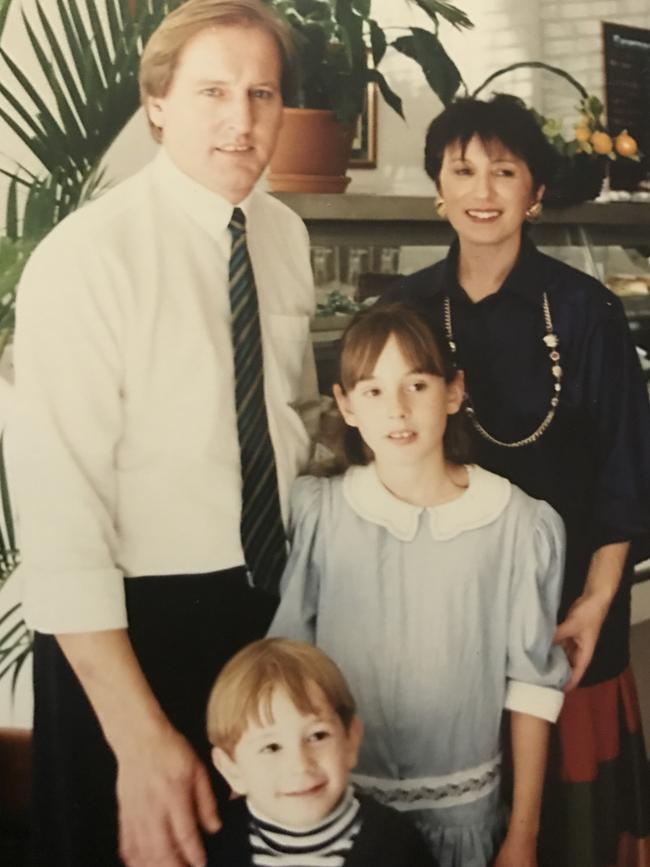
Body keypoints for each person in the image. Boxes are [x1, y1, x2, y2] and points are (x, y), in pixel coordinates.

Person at [8, 2, 319, 866]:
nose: (242, 118)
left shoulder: (284, 235)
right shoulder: (86, 257)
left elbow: (292, 430)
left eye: (263, 93)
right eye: (213, 90)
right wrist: (138, 737)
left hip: (264, 620)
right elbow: (62, 524)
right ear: (157, 103)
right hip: (131, 634)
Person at [382, 94, 650, 867]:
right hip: (441, 604)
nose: (483, 190)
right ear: (439, 187)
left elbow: (627, 470)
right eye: (463, 170)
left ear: (534, 193)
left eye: (504, 171)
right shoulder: (407, 309)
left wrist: (598, 600)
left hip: (570, 603)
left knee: (567, 830)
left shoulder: (586, 310)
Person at [269, 303, 570, 867]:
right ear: (346, 405)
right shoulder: (321, 513)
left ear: (455, 393)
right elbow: (288, 666)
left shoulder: (517, 524)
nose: (398, 409)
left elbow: (533, 685)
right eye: (374, 390)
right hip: (340, 819)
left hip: (463, 819)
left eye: (418, 384)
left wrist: (522, 834)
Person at [204, 637, 438, 867]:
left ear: (350, 740)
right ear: (232, 769)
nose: (300, 764)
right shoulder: (216, 845)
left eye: (317, 736)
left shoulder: (396, 845)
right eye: (271, 747)